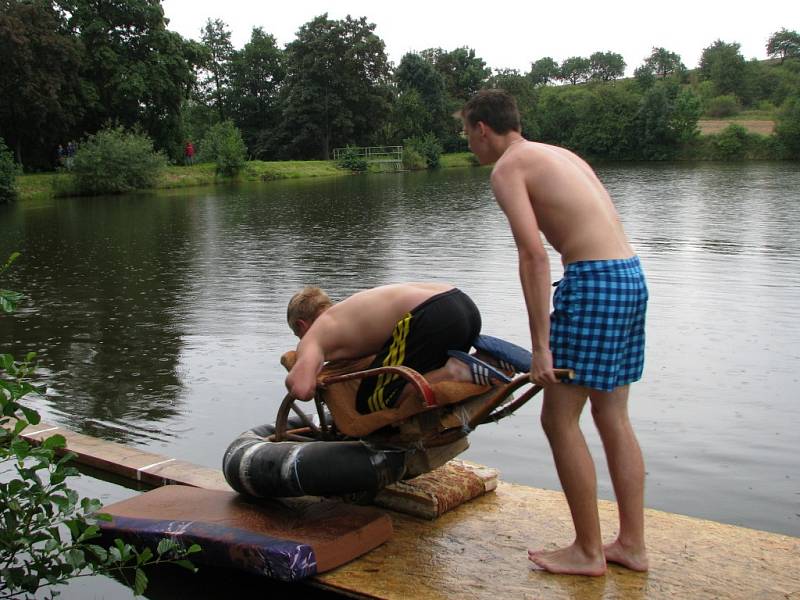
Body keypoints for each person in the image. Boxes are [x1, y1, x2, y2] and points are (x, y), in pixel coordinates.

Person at [461, 89, 649, 576]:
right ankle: (631, 544)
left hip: (593, 283)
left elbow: (533, 256)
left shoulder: (508, 168)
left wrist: (540, 347)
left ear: (482, 128)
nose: (468, 144)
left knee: (558, 419)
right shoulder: (557, 153)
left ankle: (588, 552)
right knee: (612, 415)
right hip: (630, 276)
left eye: (466, 132)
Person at [285, 283, 482, 414]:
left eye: (297, 334)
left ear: (302, 325)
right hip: (464, 306)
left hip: (432, 315)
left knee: (370, 401)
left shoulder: (313, 336)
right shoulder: (346, 312)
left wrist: (294, 377)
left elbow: (302, 389)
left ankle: (456, 372)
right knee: (423, 371)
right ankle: (487, 362)